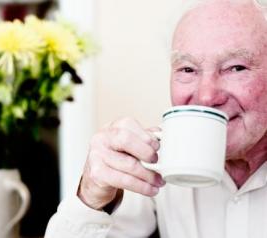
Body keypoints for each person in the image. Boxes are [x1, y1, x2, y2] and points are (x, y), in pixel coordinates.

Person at [45, 0, 267, 237]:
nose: (206, 97)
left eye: (236, 68)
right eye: (188, 69)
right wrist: (91, 196)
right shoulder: (162, 160)